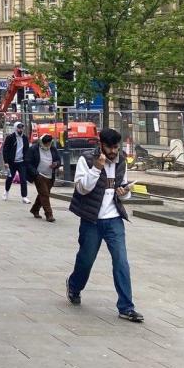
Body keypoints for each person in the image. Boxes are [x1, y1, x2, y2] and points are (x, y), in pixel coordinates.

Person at [65, 128, 144, 323]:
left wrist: (124, 192)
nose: (113, 152)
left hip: (114, 219)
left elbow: (125, 189)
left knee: (121, 261)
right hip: (92, 219)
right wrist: (96, 169)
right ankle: (74, 286)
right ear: (100, 144)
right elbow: (82, 189)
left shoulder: (121, 161)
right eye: (109, 147)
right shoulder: (86, 159)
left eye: (116, 148)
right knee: (86, 260)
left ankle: (126, 307)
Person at [25, 133, 63, 221]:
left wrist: (56, 164)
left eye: (49, 144)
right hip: (39, 175)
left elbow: (58, 159)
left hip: (50, 175)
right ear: (42, 142)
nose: (48, 146)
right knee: (45, 194)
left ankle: (35, 209)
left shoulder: (53, 149)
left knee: (43, 194)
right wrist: (35, 174)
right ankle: (49, 214)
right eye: (46, 144)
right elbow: (28, 162)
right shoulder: (33, 149)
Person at [0, 122, 30, 204]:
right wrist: (6, 161)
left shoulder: (25, 138)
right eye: (18, 128)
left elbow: (27, 150)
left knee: (23, 179)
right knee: (10, 178)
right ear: (15, 128)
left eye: (21, 128)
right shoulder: (10, 137)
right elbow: (5, 150)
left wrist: (27, 160)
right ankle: (6, 192)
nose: (20, 129)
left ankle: (24, 196)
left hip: (22, 162)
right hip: (12, 162)